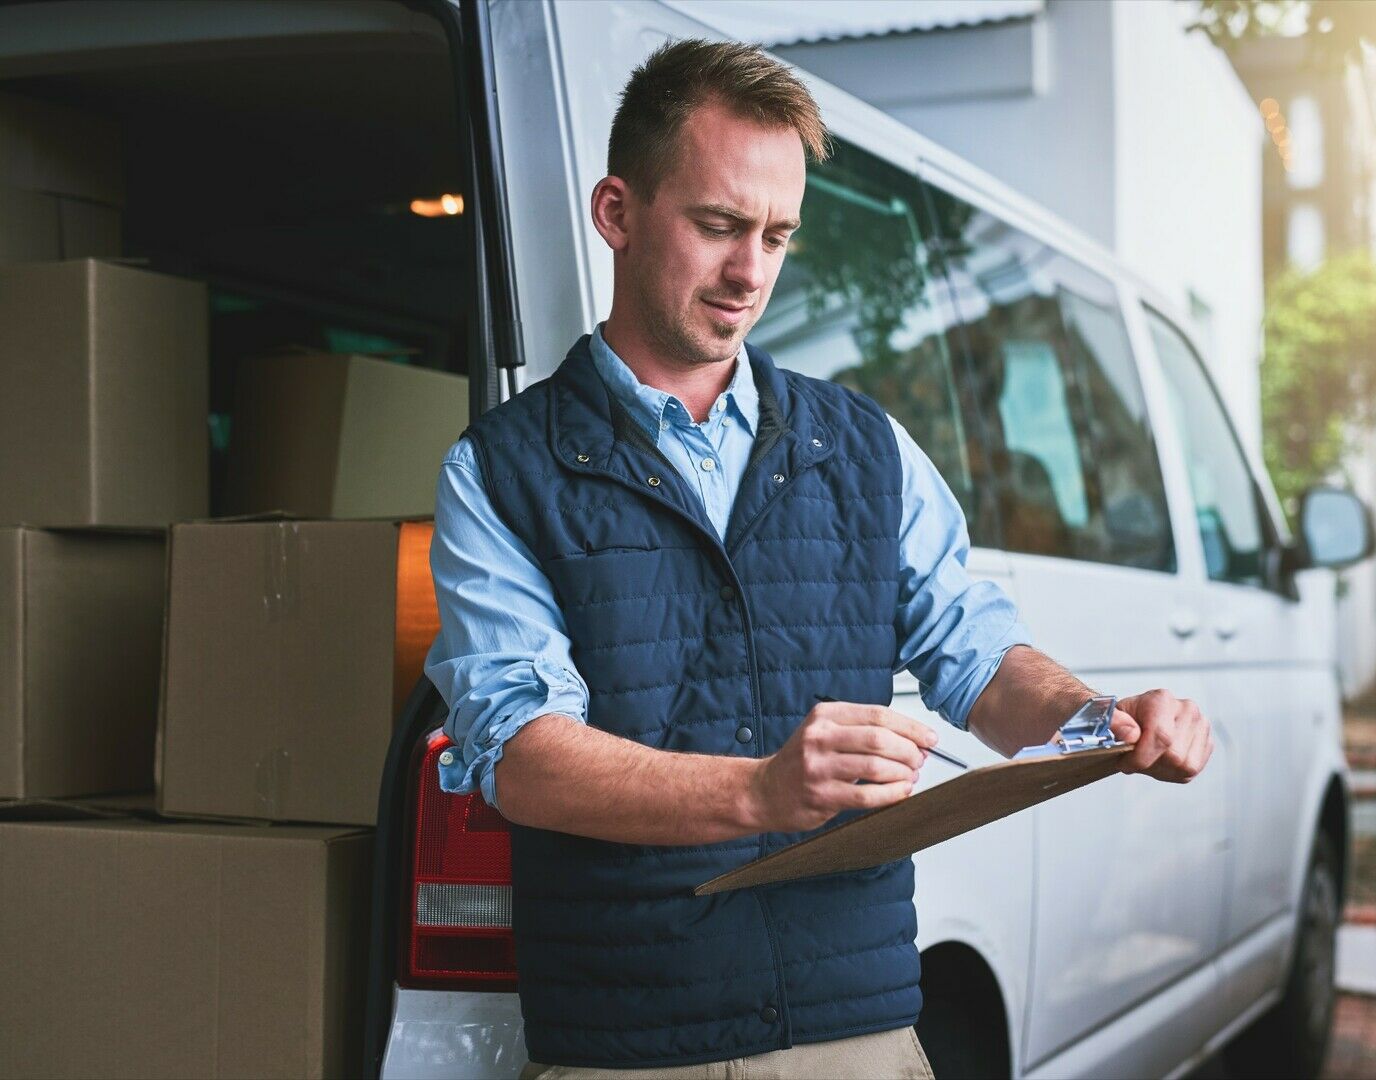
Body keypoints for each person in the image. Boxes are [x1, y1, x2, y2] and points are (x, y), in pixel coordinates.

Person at [425, 38, 1213, 1080]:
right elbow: (520, 755)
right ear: (616, 212)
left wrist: (1100, 723)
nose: (750, 269)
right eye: (717, 224)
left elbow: (973, 653)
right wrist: (758, 793)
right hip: (631, 1042)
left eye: (777, 235)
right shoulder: (499, 470)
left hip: (861, 1029)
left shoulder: (864, 444)